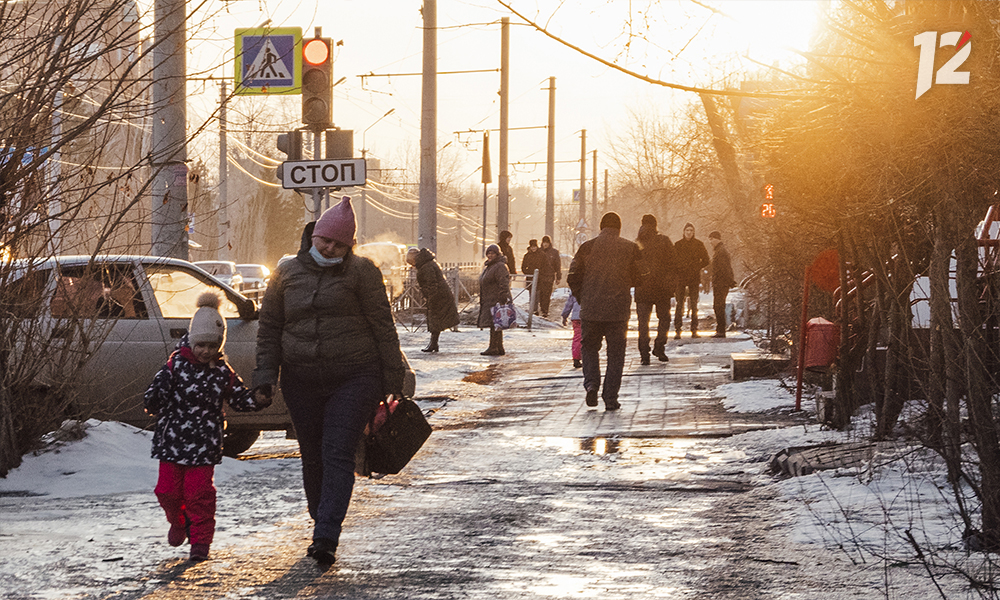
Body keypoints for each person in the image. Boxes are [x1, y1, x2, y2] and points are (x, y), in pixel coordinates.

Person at [253, 197, 407, 565]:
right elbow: (270, 328)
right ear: (313, 236)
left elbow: (383, 327)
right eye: (325, 241)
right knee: (313, 453)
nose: (330, 249)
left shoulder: (362, 273)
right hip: (300, 378)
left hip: (354, 376)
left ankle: (325, 536)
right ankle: (321, 514)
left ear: (350, 246)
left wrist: (393, 377)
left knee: (337, 452)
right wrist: (264, 377)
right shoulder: (287, 272)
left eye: (339, 245)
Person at [144, 291, 272, 562]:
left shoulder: (222, 373)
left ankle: (201, 543)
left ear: (219, 346)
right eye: (200, 345)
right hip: (171, 443)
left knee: (199, 495)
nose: (205, 351)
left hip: (204, 445)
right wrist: (156, 398)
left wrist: (258, 398)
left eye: (212, 346)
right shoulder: (174, 366)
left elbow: (239, 398)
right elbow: (152, 397)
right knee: (166, 491)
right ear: (191, 340)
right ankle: (180, 522)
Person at [566, 212, 644, 411]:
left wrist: (583, 297)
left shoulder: (587, 247)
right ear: (619, 228)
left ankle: (591, 383)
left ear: (601, 227)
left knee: (590, 348)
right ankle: (610, 398)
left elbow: (573, 276)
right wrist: (626, 283)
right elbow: (643, 275)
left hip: (591, 310)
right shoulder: (630, 248)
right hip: (617, 311)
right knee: (616, 354)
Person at [634, 214, 676, 365]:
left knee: (643, 323)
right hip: (662, 288)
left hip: (642, 288)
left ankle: (644, 354)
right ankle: (659, 347)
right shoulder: (664, 241)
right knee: (664, 319)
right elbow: (673, 264)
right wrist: (671, 283)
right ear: (655, 224)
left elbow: (633, 266)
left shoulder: (638, 242)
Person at [406, 247, 460, 352]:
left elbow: (431, 284)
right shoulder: (427, 264)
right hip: (439, 295)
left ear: (414, 258)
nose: (412, 265)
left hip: (438, 296)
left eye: (411, 262)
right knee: (435, 319)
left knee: (435, 319)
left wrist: (431, 297)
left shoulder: (426, 267)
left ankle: (433, 344)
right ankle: (433, 343)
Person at [673, 222, 710, 339]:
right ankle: (678, 329)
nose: (689, 232)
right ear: (684, 232)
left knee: (694, 304)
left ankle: (694, 329)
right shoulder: (678, 245)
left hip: (693, 277)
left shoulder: (699, 245)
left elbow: (706, 260)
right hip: (681, 277)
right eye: (687, 230)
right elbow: (672, 260)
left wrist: (697, 266)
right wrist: (679, 268)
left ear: (693, 232)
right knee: (679, 304)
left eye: (691, 230)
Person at [478, 244, 512, 356]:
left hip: (496, 298)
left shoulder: (499, 266)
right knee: (496, 324)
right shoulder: (490, 266)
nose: (490, 255)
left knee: (495, 324)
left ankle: (494, 347)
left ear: (497, 254)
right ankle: (498, 347)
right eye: (488, 253)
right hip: (489, 298)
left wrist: (503, 296)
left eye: (492, 253)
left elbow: (504, 282)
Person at [708, 231, 737, 338]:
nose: (710, 242)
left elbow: (725, 268)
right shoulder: (720, 250)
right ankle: (720, 329)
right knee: (719, 305)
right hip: (721, 282)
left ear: (717, 239)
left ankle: (721, 330)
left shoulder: (720, 252)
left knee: (718, 306)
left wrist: (729, 281)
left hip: (721, 283)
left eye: (711, 239)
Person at [521, 239, 556, 317]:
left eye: (534, 247)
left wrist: (542, 273)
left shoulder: (542, 255)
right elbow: (523, 267)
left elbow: (546, 265)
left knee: (538, 293)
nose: (533, 248)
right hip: (530, 278)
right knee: (532, 293)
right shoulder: (527, 256)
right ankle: (533, 308)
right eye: (532, 247)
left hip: (541, 278)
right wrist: (528, 273)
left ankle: (538, 309)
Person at [539, 236, 562, 317]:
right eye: (544, 242)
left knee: (547, 293)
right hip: (540, 276)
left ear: (549, 243)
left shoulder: (554, 252)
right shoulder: (539, 251)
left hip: (549, 275)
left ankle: (545, 310)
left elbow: (557, 265)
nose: (545, 244)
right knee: (541, 293)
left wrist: (558, 277)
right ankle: (542, 307)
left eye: (547, 243)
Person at [561, 292, 582, 368]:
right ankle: (587, 358)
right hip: (588, 317)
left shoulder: (575, 290)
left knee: (577, 338)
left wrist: (564, 316)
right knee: (589, 338)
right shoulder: (592, 287)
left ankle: (576, 358)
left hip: (576, 318)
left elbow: (568, 305)